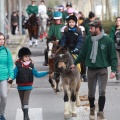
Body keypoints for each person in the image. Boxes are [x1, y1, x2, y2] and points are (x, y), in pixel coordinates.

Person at [71, 20, 117, 120]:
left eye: (92, 28)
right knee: (91, 92)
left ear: (98, 28)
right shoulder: (88, 39)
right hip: (91, 69)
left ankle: (100, 112)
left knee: (102, 92)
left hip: (103, 70)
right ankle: (92, 108)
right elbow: (83, 54)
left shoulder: (108, 41)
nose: (90, 29)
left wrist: (113, 70)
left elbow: (113, 57)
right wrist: (74, 63)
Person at [13, 47, 50, 120]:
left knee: (25, 101)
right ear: (21, 57)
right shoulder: (18, 66)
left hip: (28, 87)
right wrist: (9, 79)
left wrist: (47, 72)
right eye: (26, 56)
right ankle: (26, 115)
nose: (27, 58)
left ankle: (25, 117)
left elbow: (37, 75)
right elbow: (13, 75)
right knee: (22, 104)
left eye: (28, 56)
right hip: (20, 87)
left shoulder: (31, 66)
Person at [0, 32, 14, 120]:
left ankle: (1, 114)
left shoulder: (6, 50)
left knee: (4, 96)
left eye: (2, 39)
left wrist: (11, 76)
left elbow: (10, 64)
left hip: (4, 77)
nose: (1, 41)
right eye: (0, 39)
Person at [109, 17, 120, 82]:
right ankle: (118, 77)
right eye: (117, 21)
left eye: (119, 20)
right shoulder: (113, 29)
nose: (118, 22)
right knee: (117, 62)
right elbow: (111, 39)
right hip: (116, 48)